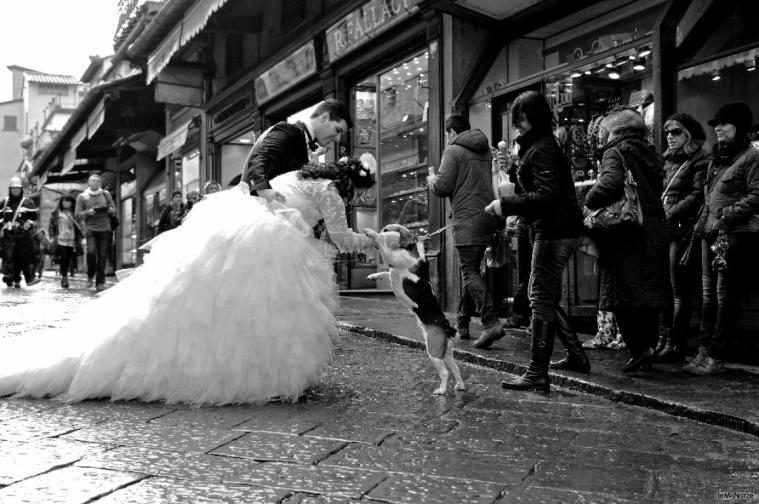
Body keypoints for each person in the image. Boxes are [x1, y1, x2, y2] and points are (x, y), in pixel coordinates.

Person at [0, 158, 376, 406]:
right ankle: (246, 375)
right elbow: (341, 240)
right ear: (350, 185)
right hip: (270, 245)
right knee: (260, 315)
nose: (357, 198)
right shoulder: (330, 195)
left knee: (214, 309)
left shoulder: (301, 176)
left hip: (242, 232)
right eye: (359, 193)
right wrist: (380, 242)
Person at [485, 91, 587, 392]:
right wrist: (508, 168)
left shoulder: (542, 148)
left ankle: (537, 372)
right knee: (543, 294)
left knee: (539, 295)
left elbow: (545, 196)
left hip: (555, 230)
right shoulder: (537, 146)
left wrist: (507, 206)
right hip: (553, 227)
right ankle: (575, 355)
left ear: (532, 117)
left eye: (521, 118)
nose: (517, 125)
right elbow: (527, 185)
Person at [584, 108, 672, 373]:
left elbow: (611, 184)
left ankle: (639, 349)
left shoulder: (616, 151)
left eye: (602, 131)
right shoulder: (648, 153)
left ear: (615, 130)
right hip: (653, 231)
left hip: (625, 232)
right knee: (647, 294)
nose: (600, 137)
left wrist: (589, 198)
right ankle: (648, 347)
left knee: (623, 296)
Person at [685, 103, 759, 375]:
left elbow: (757, 195)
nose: (717, 128)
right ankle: (703, 352)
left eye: (724, 124)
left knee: (724, 294)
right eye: (716, 124)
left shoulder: (751, 157)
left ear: (739, 127)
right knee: (708, 294)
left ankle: (715, 355)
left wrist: (728, 215)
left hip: (736, 233)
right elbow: (708, 197)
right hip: (711, 233)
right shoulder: (717, 159)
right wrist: (704, 224)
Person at [428, 114, 503, 343]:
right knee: (473, 270)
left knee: (469, 272)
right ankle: (462, 322)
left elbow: (442, 186)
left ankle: (491, 323)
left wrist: (431, 179)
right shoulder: (487, 150)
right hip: (490, 215)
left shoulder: (453, 150)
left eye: (446, 134)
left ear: (451, 132)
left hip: (468, 219)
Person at [655, 113, 708, 362]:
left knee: (678, 288)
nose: (669, 136)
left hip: (681, 228)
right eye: (667, 132)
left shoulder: (699, 159)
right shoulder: (669, 161)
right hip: (666, 227)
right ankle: (664, 340)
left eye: (676, 131)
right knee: (665, 288)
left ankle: (675, 343)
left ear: (688, 134)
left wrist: (671, 212)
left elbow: (698, 194)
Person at [241, 99, 352, 202]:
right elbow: (258, 160)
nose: (337, 138)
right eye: (337, 130)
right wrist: (264, 190)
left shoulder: (303, 142)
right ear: (324, 118)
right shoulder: (288, 131)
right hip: (257, 209)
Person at [75, 173, 116, 292]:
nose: (95, 182)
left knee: (103, 256)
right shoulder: (82, 196)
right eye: (93, 181)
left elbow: (114, 210)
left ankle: (100, 282)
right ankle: (90, 275)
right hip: (90, 229)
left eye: (97, 181)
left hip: (105, 228)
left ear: (101, 183)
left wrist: (109, 210)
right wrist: (88, 213)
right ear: (89, 183)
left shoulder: (105, 194)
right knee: (91, 252)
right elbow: (77, 215)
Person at [1, 176, 40, 288]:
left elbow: (34, 217)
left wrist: (28, 223)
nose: (15, 190)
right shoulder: (5, 202)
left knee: (23, 256)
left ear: (21, 189)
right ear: (10, 189)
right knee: (8, 255)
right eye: (13, 188)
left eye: (17, 188)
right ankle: (10, 275)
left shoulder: (27, 202)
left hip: (23, 234)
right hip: (8, 234)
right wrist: (3, 225)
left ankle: (21, 278)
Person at [49, 194, 84, 289]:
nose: (65, 203)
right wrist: (52, 236)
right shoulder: (57, 212)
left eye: (67, 201)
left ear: (72, 203)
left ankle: (65, 275)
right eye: (63, 201)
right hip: (60, 239)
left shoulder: (75, 213)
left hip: (72, 239)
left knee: (68, 259)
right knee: (63, 257)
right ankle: (65, 277)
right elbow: (52, 225)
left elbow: (80, 225)